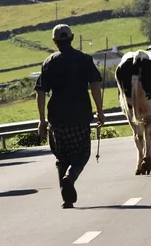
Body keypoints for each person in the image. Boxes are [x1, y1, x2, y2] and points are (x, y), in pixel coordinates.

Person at [35, 24, 106, 209]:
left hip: (57, 117)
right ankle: (70, 177)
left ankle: (66, 199)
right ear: (72, 38)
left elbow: (41, 92)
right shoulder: (84, 59)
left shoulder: (49, 62)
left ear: (54, 41)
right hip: (80, 116)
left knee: (62, 157)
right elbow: (95, 86)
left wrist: (42, 120)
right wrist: (99, 110)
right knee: (82, 154)